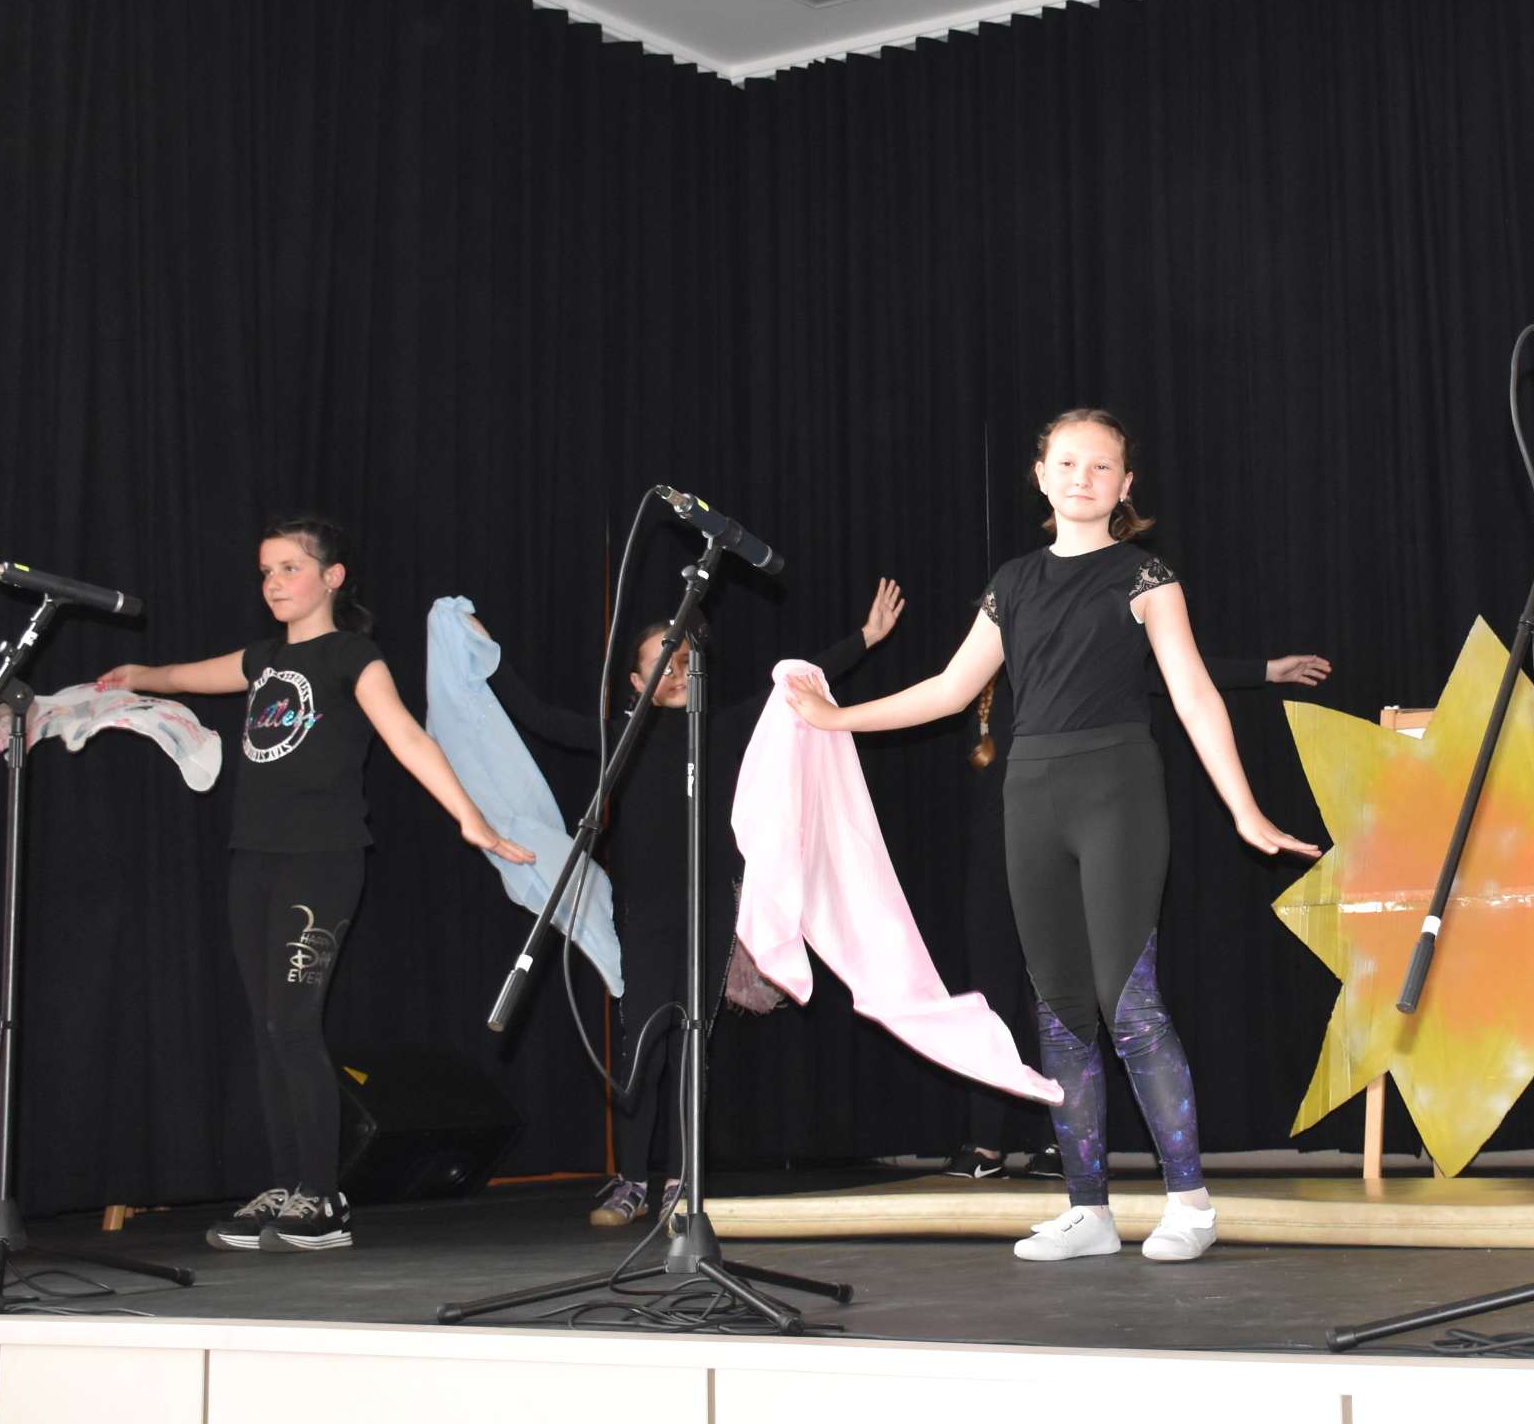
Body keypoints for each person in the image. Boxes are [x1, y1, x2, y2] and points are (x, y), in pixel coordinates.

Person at [786, 408, 1320, 1264]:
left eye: (1101, 466)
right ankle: (1088, 1209)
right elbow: (950, 689)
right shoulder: (1013, 582)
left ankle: (1190, 1203)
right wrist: (835, 716)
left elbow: (1192, 694)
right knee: (1060, 1007)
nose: (1082, 477)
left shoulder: (1145, 576)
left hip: (1118, 793)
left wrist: (1245, 809)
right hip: (1030, 797)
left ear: (1125, 485)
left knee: (1128, 1002)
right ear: (1041, 476)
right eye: (1067, 463)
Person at [100, 516, 534, 1254]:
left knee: (294, 1023)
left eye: (290, 568)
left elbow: (407, 736)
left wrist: (473, 820)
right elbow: (186, 676)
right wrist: (137, 676)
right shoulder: (264, 658)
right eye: (266, 572)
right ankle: (286, 1187)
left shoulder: (352, 657)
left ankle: (323, 1198)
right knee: (267, 1026)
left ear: (331, 578)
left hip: (321, 861)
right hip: (253, 859)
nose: (274, 583)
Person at [476, 580, 907, 1228]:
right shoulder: (621, 736)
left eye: (684, 659)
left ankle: (683, 1181)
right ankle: (630, 1180)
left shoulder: (724, 728)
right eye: (662, 662)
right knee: (644, 1046)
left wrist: (865, 639)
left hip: (709, 911)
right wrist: (487, 656)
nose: (676, 672)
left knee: (691, 1046)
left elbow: (793, 689)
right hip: (647, 914)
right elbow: (537, 716)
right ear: (635, 681)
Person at [944, 643, 1331, 1184]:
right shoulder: (980, 676)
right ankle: (986, 1138)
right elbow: (940, 693)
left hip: (1063, 848)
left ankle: (1060, 1141)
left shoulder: (1077, 658)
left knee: (1061, 997)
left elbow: (1173, 673)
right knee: (990, 993)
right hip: (996, 856)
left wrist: (1264, 670)